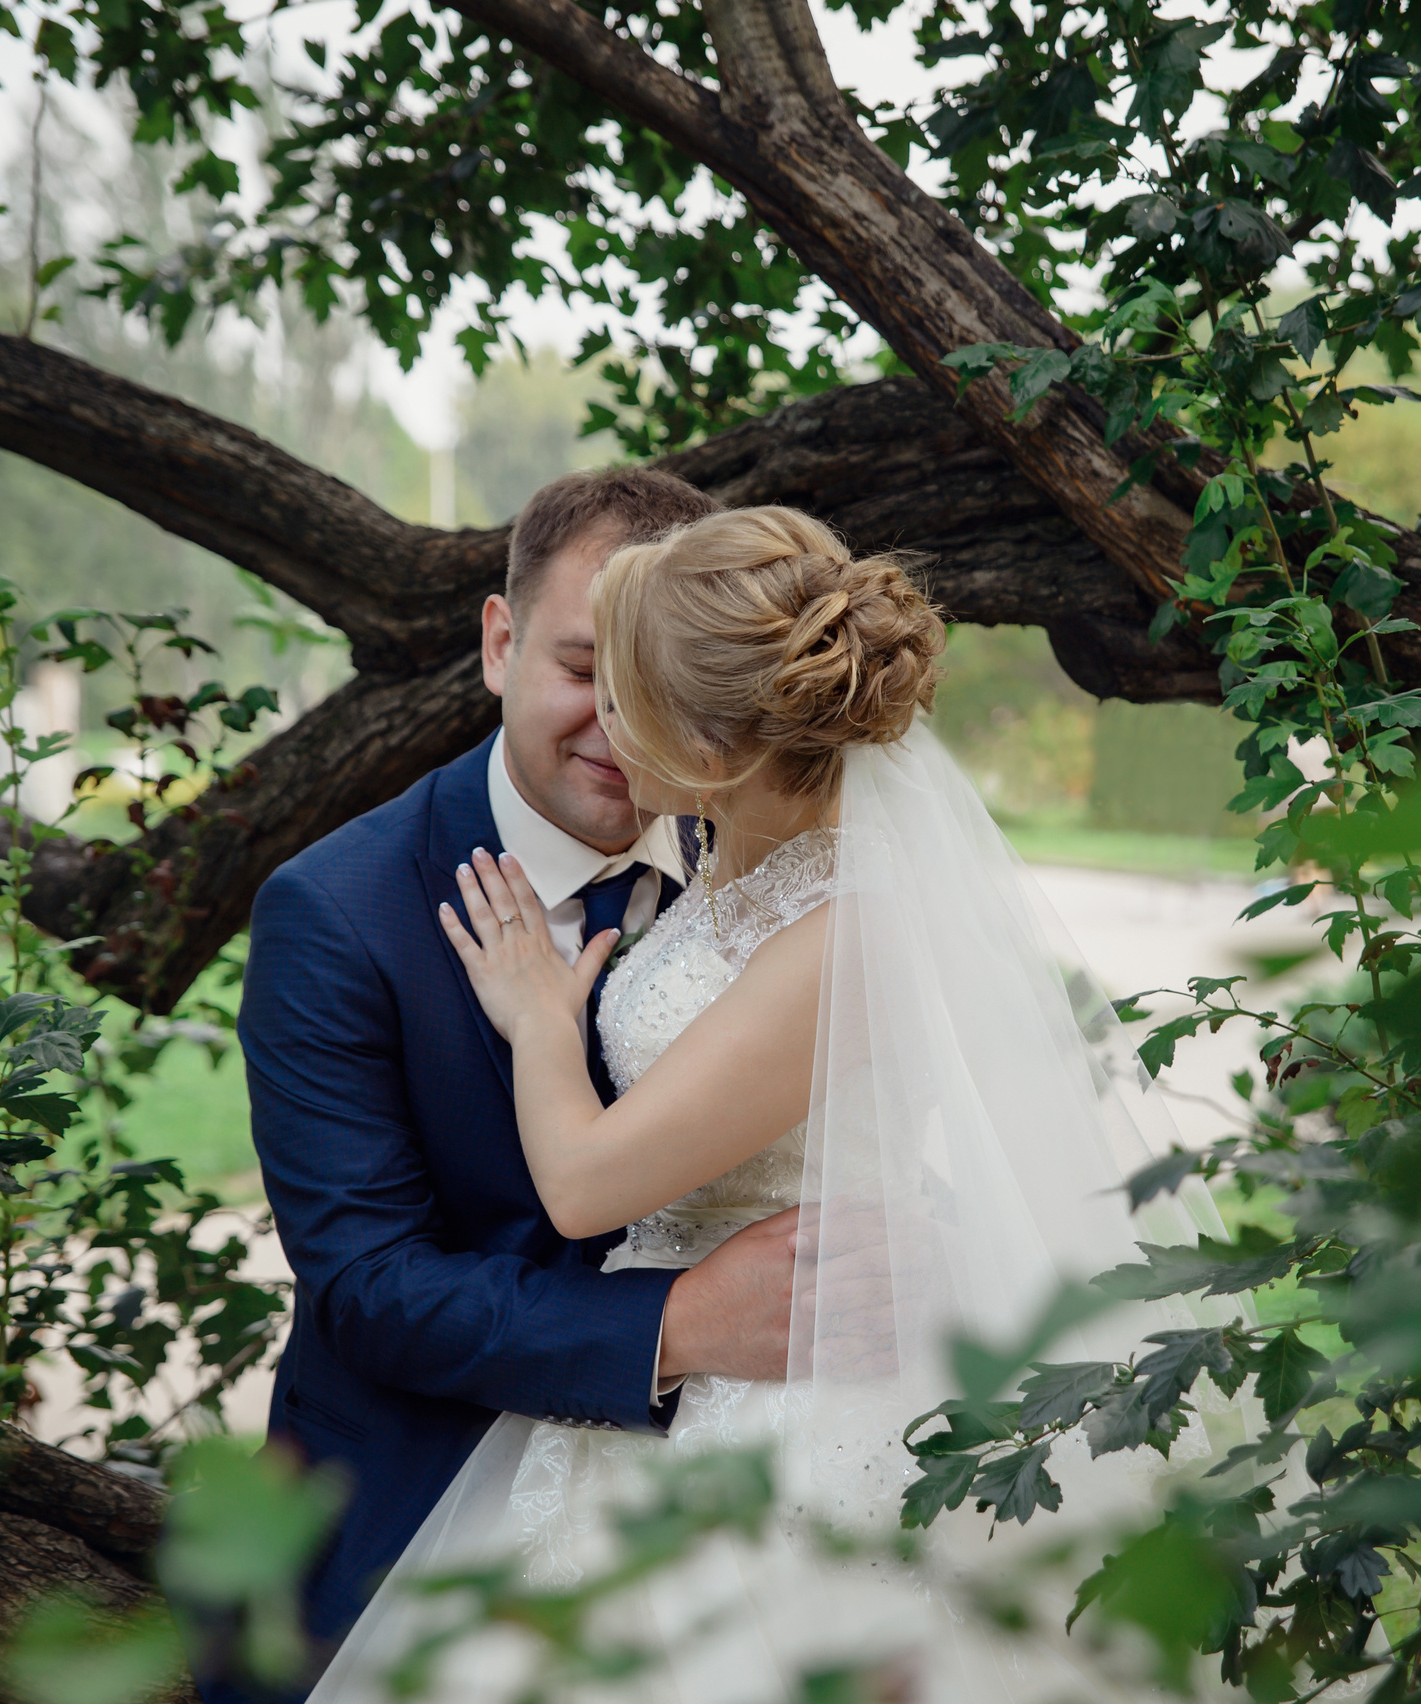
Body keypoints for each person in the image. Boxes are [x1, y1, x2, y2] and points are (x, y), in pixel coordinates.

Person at [307, 507, 1244, 1704]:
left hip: (789, 1408)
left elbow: (588, 1184)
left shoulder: (841, 927)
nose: (606, 724)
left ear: (711, 740)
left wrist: (545, 1023)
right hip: (673, 1379)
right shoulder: (729, 863)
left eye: (626, 692)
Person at [224, 470, 804, 1704]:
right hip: (421, 1507)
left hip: (749, 1490)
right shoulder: (340, 913)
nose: (623, 722)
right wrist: (680, 1326)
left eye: (662, 682)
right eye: (586, 668)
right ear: (498, 644)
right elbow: (371, 1288)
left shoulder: (771, 865)